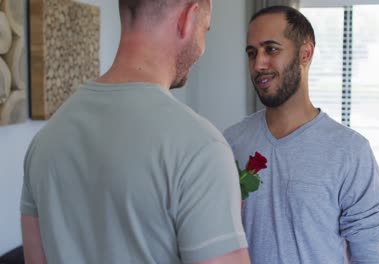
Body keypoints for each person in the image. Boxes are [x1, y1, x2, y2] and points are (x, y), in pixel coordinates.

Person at [20, 1, 250, 263]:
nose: (203, 45)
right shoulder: (201, 149)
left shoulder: (45, 141)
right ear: (188, 17)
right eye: (205, 30)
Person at [224, 5, 379, 264]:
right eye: (252, 53)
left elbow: (368, 255)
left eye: (271, 49)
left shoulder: (351, 152)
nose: (258, 64)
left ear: (305, 53)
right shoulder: (230, 143)